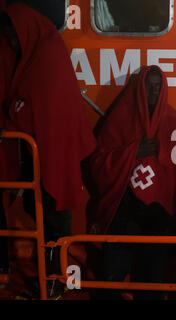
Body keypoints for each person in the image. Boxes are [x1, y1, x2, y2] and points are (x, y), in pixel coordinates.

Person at [0, 3, 97, 298]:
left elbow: (34, 108)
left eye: (14, 36)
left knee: (56, 222)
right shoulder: (35, 50)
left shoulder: (47, 56)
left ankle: (55, 281)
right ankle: (50, 279)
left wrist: (16, 110)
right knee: (45, 217)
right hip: (44, 157)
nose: (12, 43)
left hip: (56, 158)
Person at [88, 66, 176, 300]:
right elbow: (98, 163)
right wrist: (133, 151)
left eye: (158, 87)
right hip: (124, 210)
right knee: (109, 277)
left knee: (152, 282)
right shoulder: (120, 119)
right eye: (149, 86)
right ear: (139, 87)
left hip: (160, 216)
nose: (153, 92)